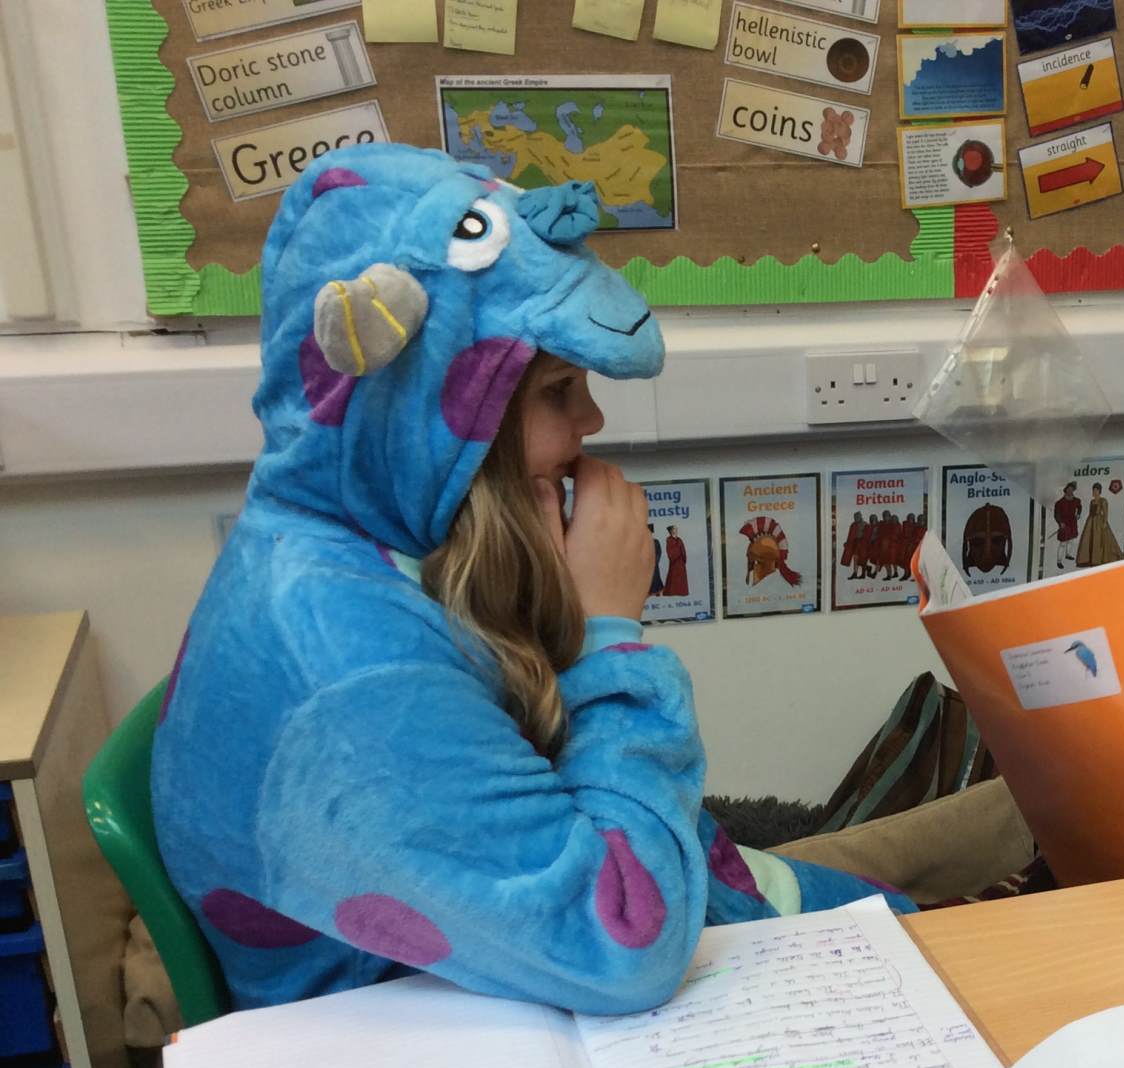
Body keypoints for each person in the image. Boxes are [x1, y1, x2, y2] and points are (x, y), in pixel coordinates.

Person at [151, 145, 907, 1015]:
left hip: (591, 932)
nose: (592, 418)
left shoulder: (354, 537)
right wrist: (609, 635)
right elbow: (624, 946)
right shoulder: (352, 672)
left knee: (935, 903)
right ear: (425, 411)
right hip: (470, 1032)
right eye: (557, 391)